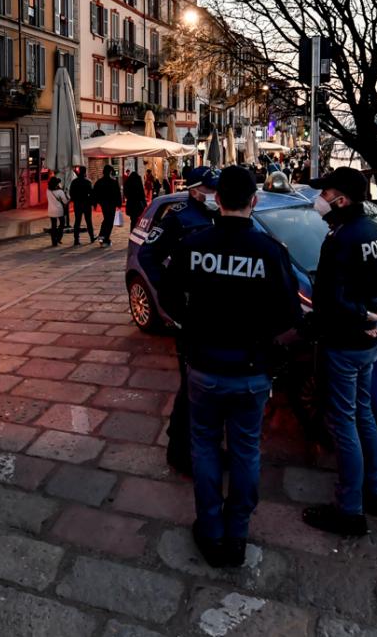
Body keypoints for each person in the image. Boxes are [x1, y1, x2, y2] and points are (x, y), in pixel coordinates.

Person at [161, 166, 302, 567]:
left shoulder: (194, 244)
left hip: (204, 365)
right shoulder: (271, 252)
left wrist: (192, 325)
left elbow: (168, 299)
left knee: (204, 447)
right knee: (245, 452)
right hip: (252, 370)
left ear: (216, 200)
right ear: (254, 201)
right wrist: (264, 337)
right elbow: (291, 316)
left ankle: (210, 528)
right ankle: (236, 534)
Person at [302, 166, 377, 537]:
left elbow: (328, 299)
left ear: (341, 200)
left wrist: (361, 316)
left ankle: (349, 510)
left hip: (344, 341)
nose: (320, 200)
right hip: (368, 340)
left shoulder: (340, 239)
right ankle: (374, 492)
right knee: (364, 415)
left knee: (343, 423)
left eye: (324, 194)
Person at [142, 166, 220, 472]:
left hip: (213, 314)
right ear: (196, 189)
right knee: (192, 388)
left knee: (203, 390)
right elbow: (149, 256)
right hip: (190, 315)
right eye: (211, 189)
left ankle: (199, 446)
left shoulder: (219, 215)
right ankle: (181, 452)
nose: (215, 195)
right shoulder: (178, 217)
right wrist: (170, 296)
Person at [93, 165, 122, 246]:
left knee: (106, 219)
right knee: (109, 221)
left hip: (104, 204)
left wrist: (95, 203)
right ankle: (105, 238)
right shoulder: (114, 181)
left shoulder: (99, 182)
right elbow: (117, 193)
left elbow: (95, 193)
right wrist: (119, 203)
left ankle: (102, 236)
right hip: (111, 204)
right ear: (110, 171)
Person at [70, 166, 95, 245]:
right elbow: (91, 194)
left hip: (77, 204)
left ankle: (76, 240)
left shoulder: (74, 182)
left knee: (77, 221)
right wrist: (92, 203)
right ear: (85, 172)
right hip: (86, 203)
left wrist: (74, 200)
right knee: (89, 221)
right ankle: (91, 237)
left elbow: (71, 193)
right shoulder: (88, 182)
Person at [45, 176, 68, 247]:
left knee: (53, 226)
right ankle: (58, 237)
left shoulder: (48, 190)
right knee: (62, 224)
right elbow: (65, 201)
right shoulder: (60, 191)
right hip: (59, 210)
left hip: (51, 210)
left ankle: (54, 242)